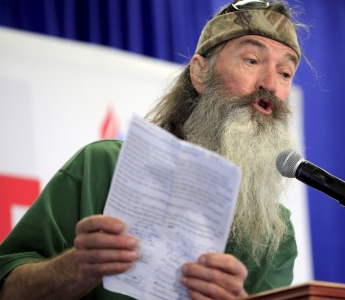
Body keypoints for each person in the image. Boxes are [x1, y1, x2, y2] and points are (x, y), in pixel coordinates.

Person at [0, 0, 308, 299]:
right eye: (252, 60)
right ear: (200, 73)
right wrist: (74, 268)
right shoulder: (102, 166)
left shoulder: (274, 235)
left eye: (285, 73)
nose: (271, 84)